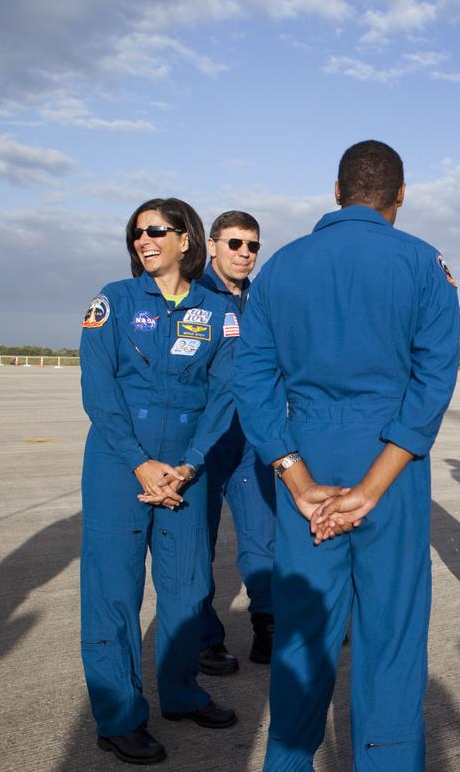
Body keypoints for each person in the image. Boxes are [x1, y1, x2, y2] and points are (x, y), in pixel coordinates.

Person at [233, 140, 460, 771]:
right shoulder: (423, 264)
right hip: (390, 463)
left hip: (306, 453)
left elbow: (251, 382)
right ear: (401, 195)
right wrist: (373, 487)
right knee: (390, 636)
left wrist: (297, 479)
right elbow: (432, 382)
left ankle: (286, 762)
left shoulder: (280, 267)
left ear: (336, 192)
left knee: (304, 636)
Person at [79, 198, 239, 766]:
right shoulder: (114, 302)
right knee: (113, 596)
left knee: (187, 587)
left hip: (186, 469)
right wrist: (140, 462)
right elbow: (98, 392)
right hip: (119, 467)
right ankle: (119, 717)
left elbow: (225, 392)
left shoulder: (219, 312)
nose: (143, 240)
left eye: (155, 231)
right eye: (136, 233)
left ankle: (180, 692)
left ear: (186, 239)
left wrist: (191, 462)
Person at [196, 210, 278, 675]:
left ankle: (267, 628)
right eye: (234, 244)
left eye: (252, 246)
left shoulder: (258, 300)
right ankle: (204, 638)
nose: (244, 253)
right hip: (204, 439)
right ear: (212, 245)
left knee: (261, 536)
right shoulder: (191, 295)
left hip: (249, 436)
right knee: (197, 544)